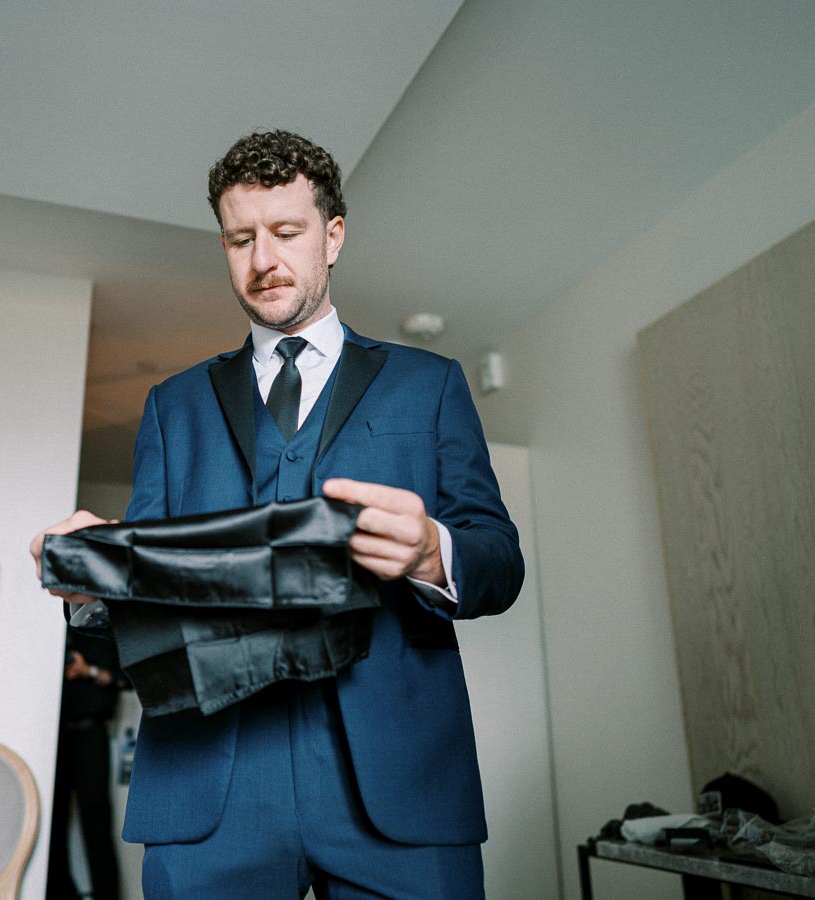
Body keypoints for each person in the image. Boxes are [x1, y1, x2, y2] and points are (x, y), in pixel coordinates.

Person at [31, 129, 524, 899]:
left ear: (332, 237)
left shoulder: (429, 385)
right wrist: (92, 584)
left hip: (397, 784)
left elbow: (499, 558)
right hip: (208, 786)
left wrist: (434, 552)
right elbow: (149, 593)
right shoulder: (173, 406)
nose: (263, 260)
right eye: (240, 238)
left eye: (287, 233)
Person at [47, 630, 126, 900]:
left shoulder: (105, 627)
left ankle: (107, 896)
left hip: (91, 733)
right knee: (52, 824)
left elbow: (121, 679)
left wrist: (86, 670)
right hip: (53, 736)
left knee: (96, 823)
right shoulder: (56, 628)